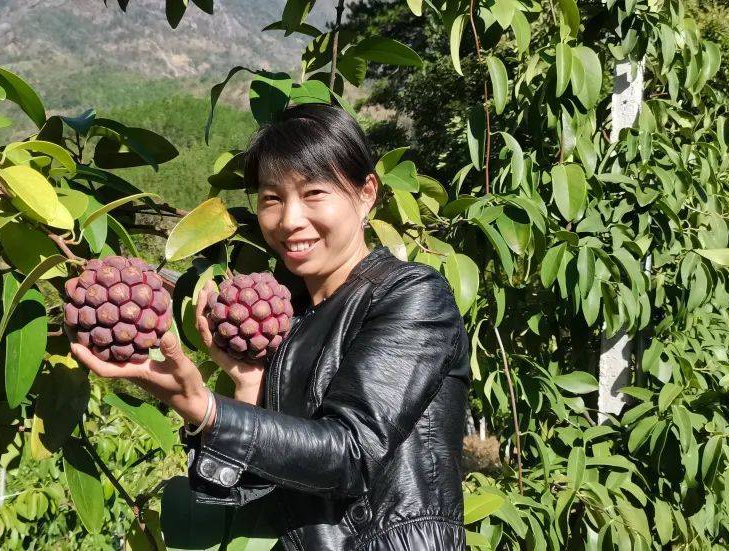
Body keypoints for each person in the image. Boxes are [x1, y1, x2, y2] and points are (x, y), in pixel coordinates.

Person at [72, 103, 471, 550]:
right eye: (271, 198)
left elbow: (351, 456)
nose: (289, 220)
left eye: (314, 192)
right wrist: (249, 385)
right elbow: (262, 488)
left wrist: (205, 409)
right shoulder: (292, 318)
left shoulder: (414, 296)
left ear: (366, 193)